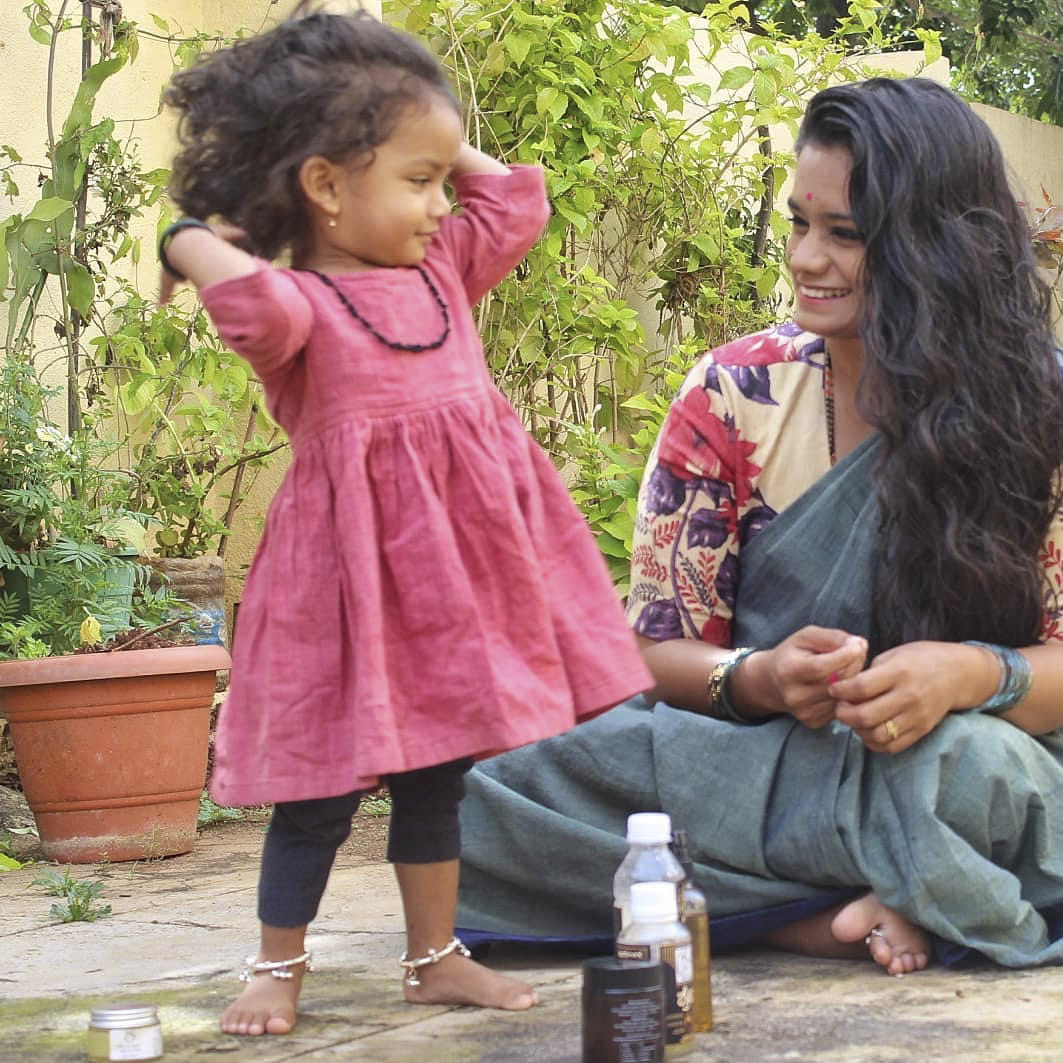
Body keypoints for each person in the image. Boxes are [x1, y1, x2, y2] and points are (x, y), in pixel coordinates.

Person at [455, 76, 1063, 978]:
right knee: (483, 785)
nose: (806, 259)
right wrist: (761, 677)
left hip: (965, 754)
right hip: (759, 760)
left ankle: (783, 901)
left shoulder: (1038, 410)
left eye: (844, 233)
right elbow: (652, 653)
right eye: (797, 224)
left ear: (935, 245)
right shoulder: (733, 393)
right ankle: (845, 907)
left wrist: (964, 675)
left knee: (963, 768)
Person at [157, 7, 651, 1036]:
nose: (440, 202)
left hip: (446, 589)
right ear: (327, 186)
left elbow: (513, 201)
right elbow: (248, 302)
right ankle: (277, 966)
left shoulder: (443, 272)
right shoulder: (300, 306)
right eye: (416, 181)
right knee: (319, 789)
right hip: (342, 591)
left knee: (438, 773)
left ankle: (434, 958)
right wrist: (187, 234)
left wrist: (421, 125)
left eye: (439, 180)